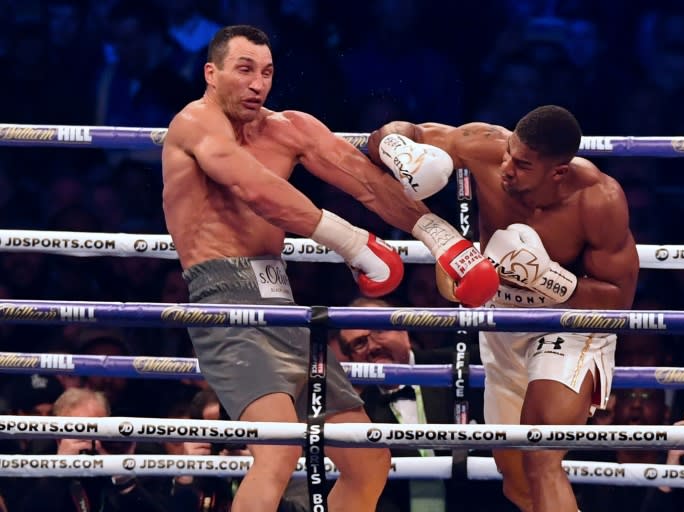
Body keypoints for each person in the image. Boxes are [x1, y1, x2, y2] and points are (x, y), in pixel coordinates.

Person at [161, 25, 499, 512]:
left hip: (283, 301)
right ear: (211, 74)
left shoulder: (290, 128)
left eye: (268, 72)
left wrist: (439, 236)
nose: (258, 83)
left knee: (369, 460)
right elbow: (254, 188)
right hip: (225, 299)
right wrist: (353, 242)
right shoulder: (194, 124)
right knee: (277, 453)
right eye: (245, 70)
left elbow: (366, 182)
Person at [368, 104, 640, 512]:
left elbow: (619, 297)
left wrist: (549, 278)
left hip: (567, 325)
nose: (507, 168)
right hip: (502, 325)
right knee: (517, 482)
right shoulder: (484, 147)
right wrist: (400, 148)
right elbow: (389, 133)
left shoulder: (598, 199)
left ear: (558, 172)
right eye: (510, 152)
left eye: (524, 164)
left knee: (541, 454)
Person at [334, 297, 514, 512]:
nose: (372, 346)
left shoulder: (464, 365)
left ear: (404, 331)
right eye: (359, 343)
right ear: (350, 358)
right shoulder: (360, 414)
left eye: (378, 331)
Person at [19, 388, 167, 512]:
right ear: (59, 438)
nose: (92, 441)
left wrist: (124, 480)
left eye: (96, 430)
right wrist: (59, 471)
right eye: (80, 432)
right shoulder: (40, 457)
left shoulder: (134, 455)